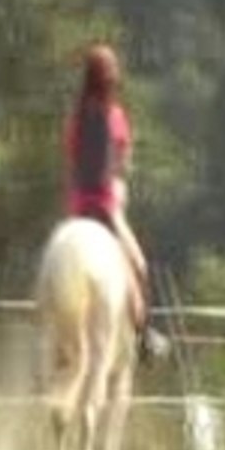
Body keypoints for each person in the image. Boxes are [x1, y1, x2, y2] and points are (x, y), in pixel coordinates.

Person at [63, 41, 163, 361]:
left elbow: (71, 158)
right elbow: (121, 165)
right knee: (139, 267)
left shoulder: (76, 118)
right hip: (105, 209)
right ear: (111, 79)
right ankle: (145, 336)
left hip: (78, 210)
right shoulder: (116, 116)